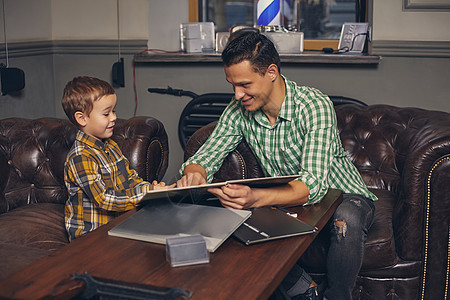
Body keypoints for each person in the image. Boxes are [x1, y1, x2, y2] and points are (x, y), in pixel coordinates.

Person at [177, 32, 376, 300]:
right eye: (232, 85)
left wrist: (255, 197)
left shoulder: (314, 105)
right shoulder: (239, 111)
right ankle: (306, 292)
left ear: (271, 72)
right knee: (232, 218)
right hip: (289, 198)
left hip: (342, 194)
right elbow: (206, 156)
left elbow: (312, 185)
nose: (237, 95)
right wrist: (194, 174)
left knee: (347, 219)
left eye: (245, 84)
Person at [62, 76, 171, 241]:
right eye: (106, 113)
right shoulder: (80, 156)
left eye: (114, 111)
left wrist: (151, 190)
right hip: (91, 236)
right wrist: (145, 193)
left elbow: (130, 179)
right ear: (82, 118)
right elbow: (104, 199)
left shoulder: (111, 146)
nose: (113, 117)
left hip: (119, 225)